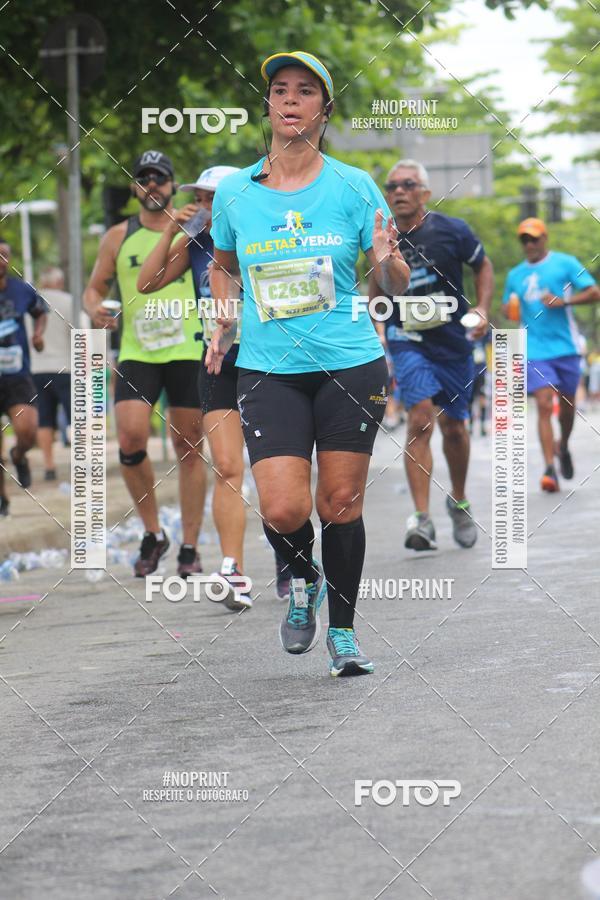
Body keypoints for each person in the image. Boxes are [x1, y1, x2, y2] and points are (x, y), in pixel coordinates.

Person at [206, 51, 410, 676]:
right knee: (283, 510)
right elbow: (222, 265)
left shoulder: (353, 186)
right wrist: (222, 317)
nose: (290, 99)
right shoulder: (236, 191)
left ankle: (343, 634)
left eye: (304, 91)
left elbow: (393, 283)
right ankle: (302, 577)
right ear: (267, 105)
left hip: (348, 360)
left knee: (340, 500)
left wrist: (383, 258)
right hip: (268, 367)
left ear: (324, 109)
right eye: (279, 89)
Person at [138, 164, 288, 610]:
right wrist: (170, 229)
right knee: (225, 466)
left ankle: (291, 556)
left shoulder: (265, 236)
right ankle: (233, 570)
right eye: (200, 198)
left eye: (212, 198)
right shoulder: (197, 244)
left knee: (274, 473)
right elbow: (147, 283)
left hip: (271, 363)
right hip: (217, 361)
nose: (205, 206)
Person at [83, 151, 206, 578]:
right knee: (131, 439)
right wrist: (96, 311)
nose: (151, 185)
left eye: (160, 178)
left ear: (173, 185)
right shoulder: (118, 235)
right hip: (138, 351)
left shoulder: (194, 229)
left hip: (188, 348)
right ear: (135, 187)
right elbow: (94, 289)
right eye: (143, 178)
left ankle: (190, 545)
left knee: (188, 448)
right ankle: (153, 532)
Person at [374, 160, 493, 552]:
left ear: (424, 192)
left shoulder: (452, 230)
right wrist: (378, 331)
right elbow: (376, 285)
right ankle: (422, 519)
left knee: (455, 429)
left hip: (453, 343)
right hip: (406, 338)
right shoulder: (382, 236)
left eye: (408, 185)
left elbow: (483, 265)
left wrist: (483, 309)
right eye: (392, 186)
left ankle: (458, 500)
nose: (399, 191)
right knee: (420, 418)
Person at [503, 217, 600, 491]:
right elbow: (505, 307)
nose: (529, 244)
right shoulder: (514, 275)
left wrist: (564, 301)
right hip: (534, 349)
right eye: (524, 239)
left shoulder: (566, 263)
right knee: (544, 403)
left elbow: (594, 292)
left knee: (567, 409)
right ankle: (549, 470)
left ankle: (564, 446)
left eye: (534, 238)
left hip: (566, 347)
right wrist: (508, 309)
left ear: (544, 238)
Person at [0, 236, 48, 491]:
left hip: (17, 375)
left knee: (28, 431)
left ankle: (19, 455)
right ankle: (2, 502)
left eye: (4, 255)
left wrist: (38, 334)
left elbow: (40, 312)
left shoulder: (21, 290)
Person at [28, 267, 75, 480]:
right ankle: (80, 463)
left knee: (44, 419)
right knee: (76, 417)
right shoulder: (69, 301)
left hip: (37, 369)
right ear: (59, 281)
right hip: (65, 368)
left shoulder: (30, 302)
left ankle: (49, 466)